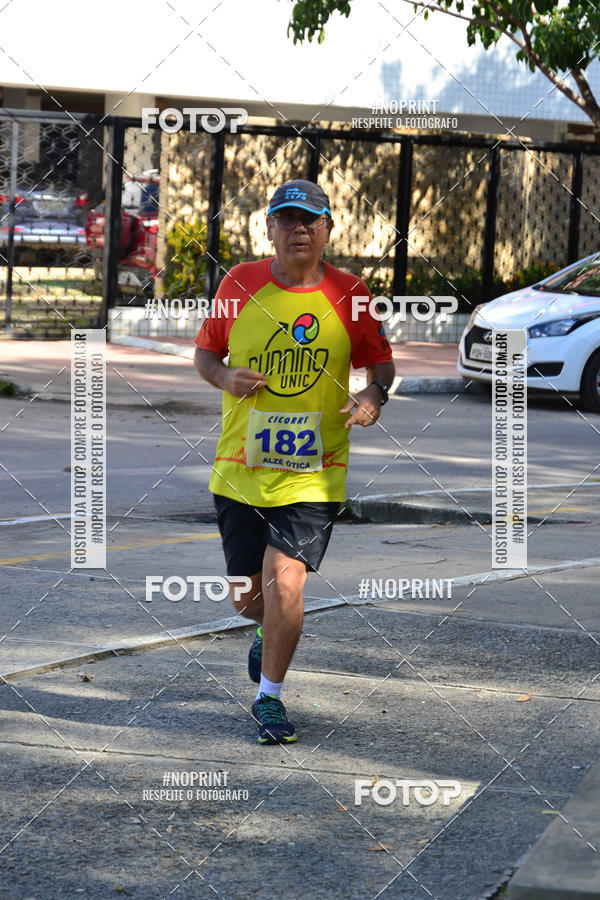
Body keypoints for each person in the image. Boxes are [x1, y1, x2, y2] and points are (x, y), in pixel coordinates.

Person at [194, 179, 395, 744]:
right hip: (239, 469)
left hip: (315, 473)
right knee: (248, 600)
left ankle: (269, 699)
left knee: (286, 586)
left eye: (310, 220)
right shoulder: (240, 283)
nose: (299, 229)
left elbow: (382, 365)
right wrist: (224, 376)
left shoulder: (351, 293)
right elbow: (205, 353)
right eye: (287, 219)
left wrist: (374, 396)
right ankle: (267, 633)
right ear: (269, 228)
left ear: (328, 229)